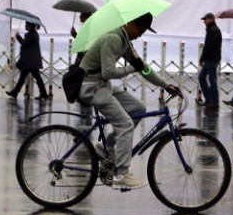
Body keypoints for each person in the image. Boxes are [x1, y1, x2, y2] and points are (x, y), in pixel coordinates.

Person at [78, 12, 182, 190]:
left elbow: (144, 69)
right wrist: (132, 68)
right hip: (91, 87)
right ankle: (121, 175)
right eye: (140, 30)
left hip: (101, 85)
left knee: (138, 108)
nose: (140, 34)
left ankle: (106, 147)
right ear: (131, 24)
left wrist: (165, 85)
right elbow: (108, 73)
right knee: (125, 124)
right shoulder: (113, 39)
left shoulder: (124, 41)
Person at [7, 22, 48, 100]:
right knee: (25, 77)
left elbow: (24, 43)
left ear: (31, 26)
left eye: (27, 25)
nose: (25, 26)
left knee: (34, 78)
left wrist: (18, 36)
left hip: (31, 61)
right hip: (31, 61)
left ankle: (43, 94)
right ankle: (15, 92)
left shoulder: (32, 35)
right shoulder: (33, 34)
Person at [198, 13, 222, 109]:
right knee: (203, 78)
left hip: (211, 59)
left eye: (205, 19)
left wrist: (202, 58)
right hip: (212, 58)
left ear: (211, 19)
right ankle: (209, 99)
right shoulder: (212, 30)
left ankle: (213, 101)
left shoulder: (213, 30)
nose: (204, 21)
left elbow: (208, 46)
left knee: (211, 80)